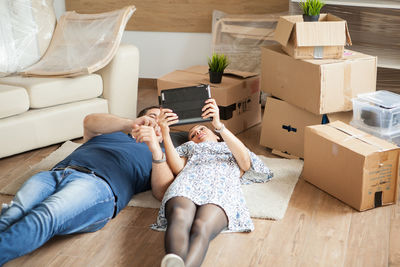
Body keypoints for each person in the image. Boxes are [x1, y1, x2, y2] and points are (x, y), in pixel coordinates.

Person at [0, 107, 176, 265]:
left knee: (45, 215)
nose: (155, 122)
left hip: (98, 185)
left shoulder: (162, 154)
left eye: (162, 121)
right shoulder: (113, 132)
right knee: (13, 213)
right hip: (54, 174)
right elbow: (89, 121)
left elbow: (161, 192)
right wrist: (130, 124)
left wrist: (154, 146)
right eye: (152, 116)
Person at [151, 98, 274, 267]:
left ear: (216, 136)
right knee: (180, 217)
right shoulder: (191, 147)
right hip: (188, 183)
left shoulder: (229, 146)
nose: (197, 133)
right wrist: (165, 132)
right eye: (193, 134)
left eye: (202, 129)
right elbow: (178, 168)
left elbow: (245, 163)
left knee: (201, 227)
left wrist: (218, 125)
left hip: (221, 188)